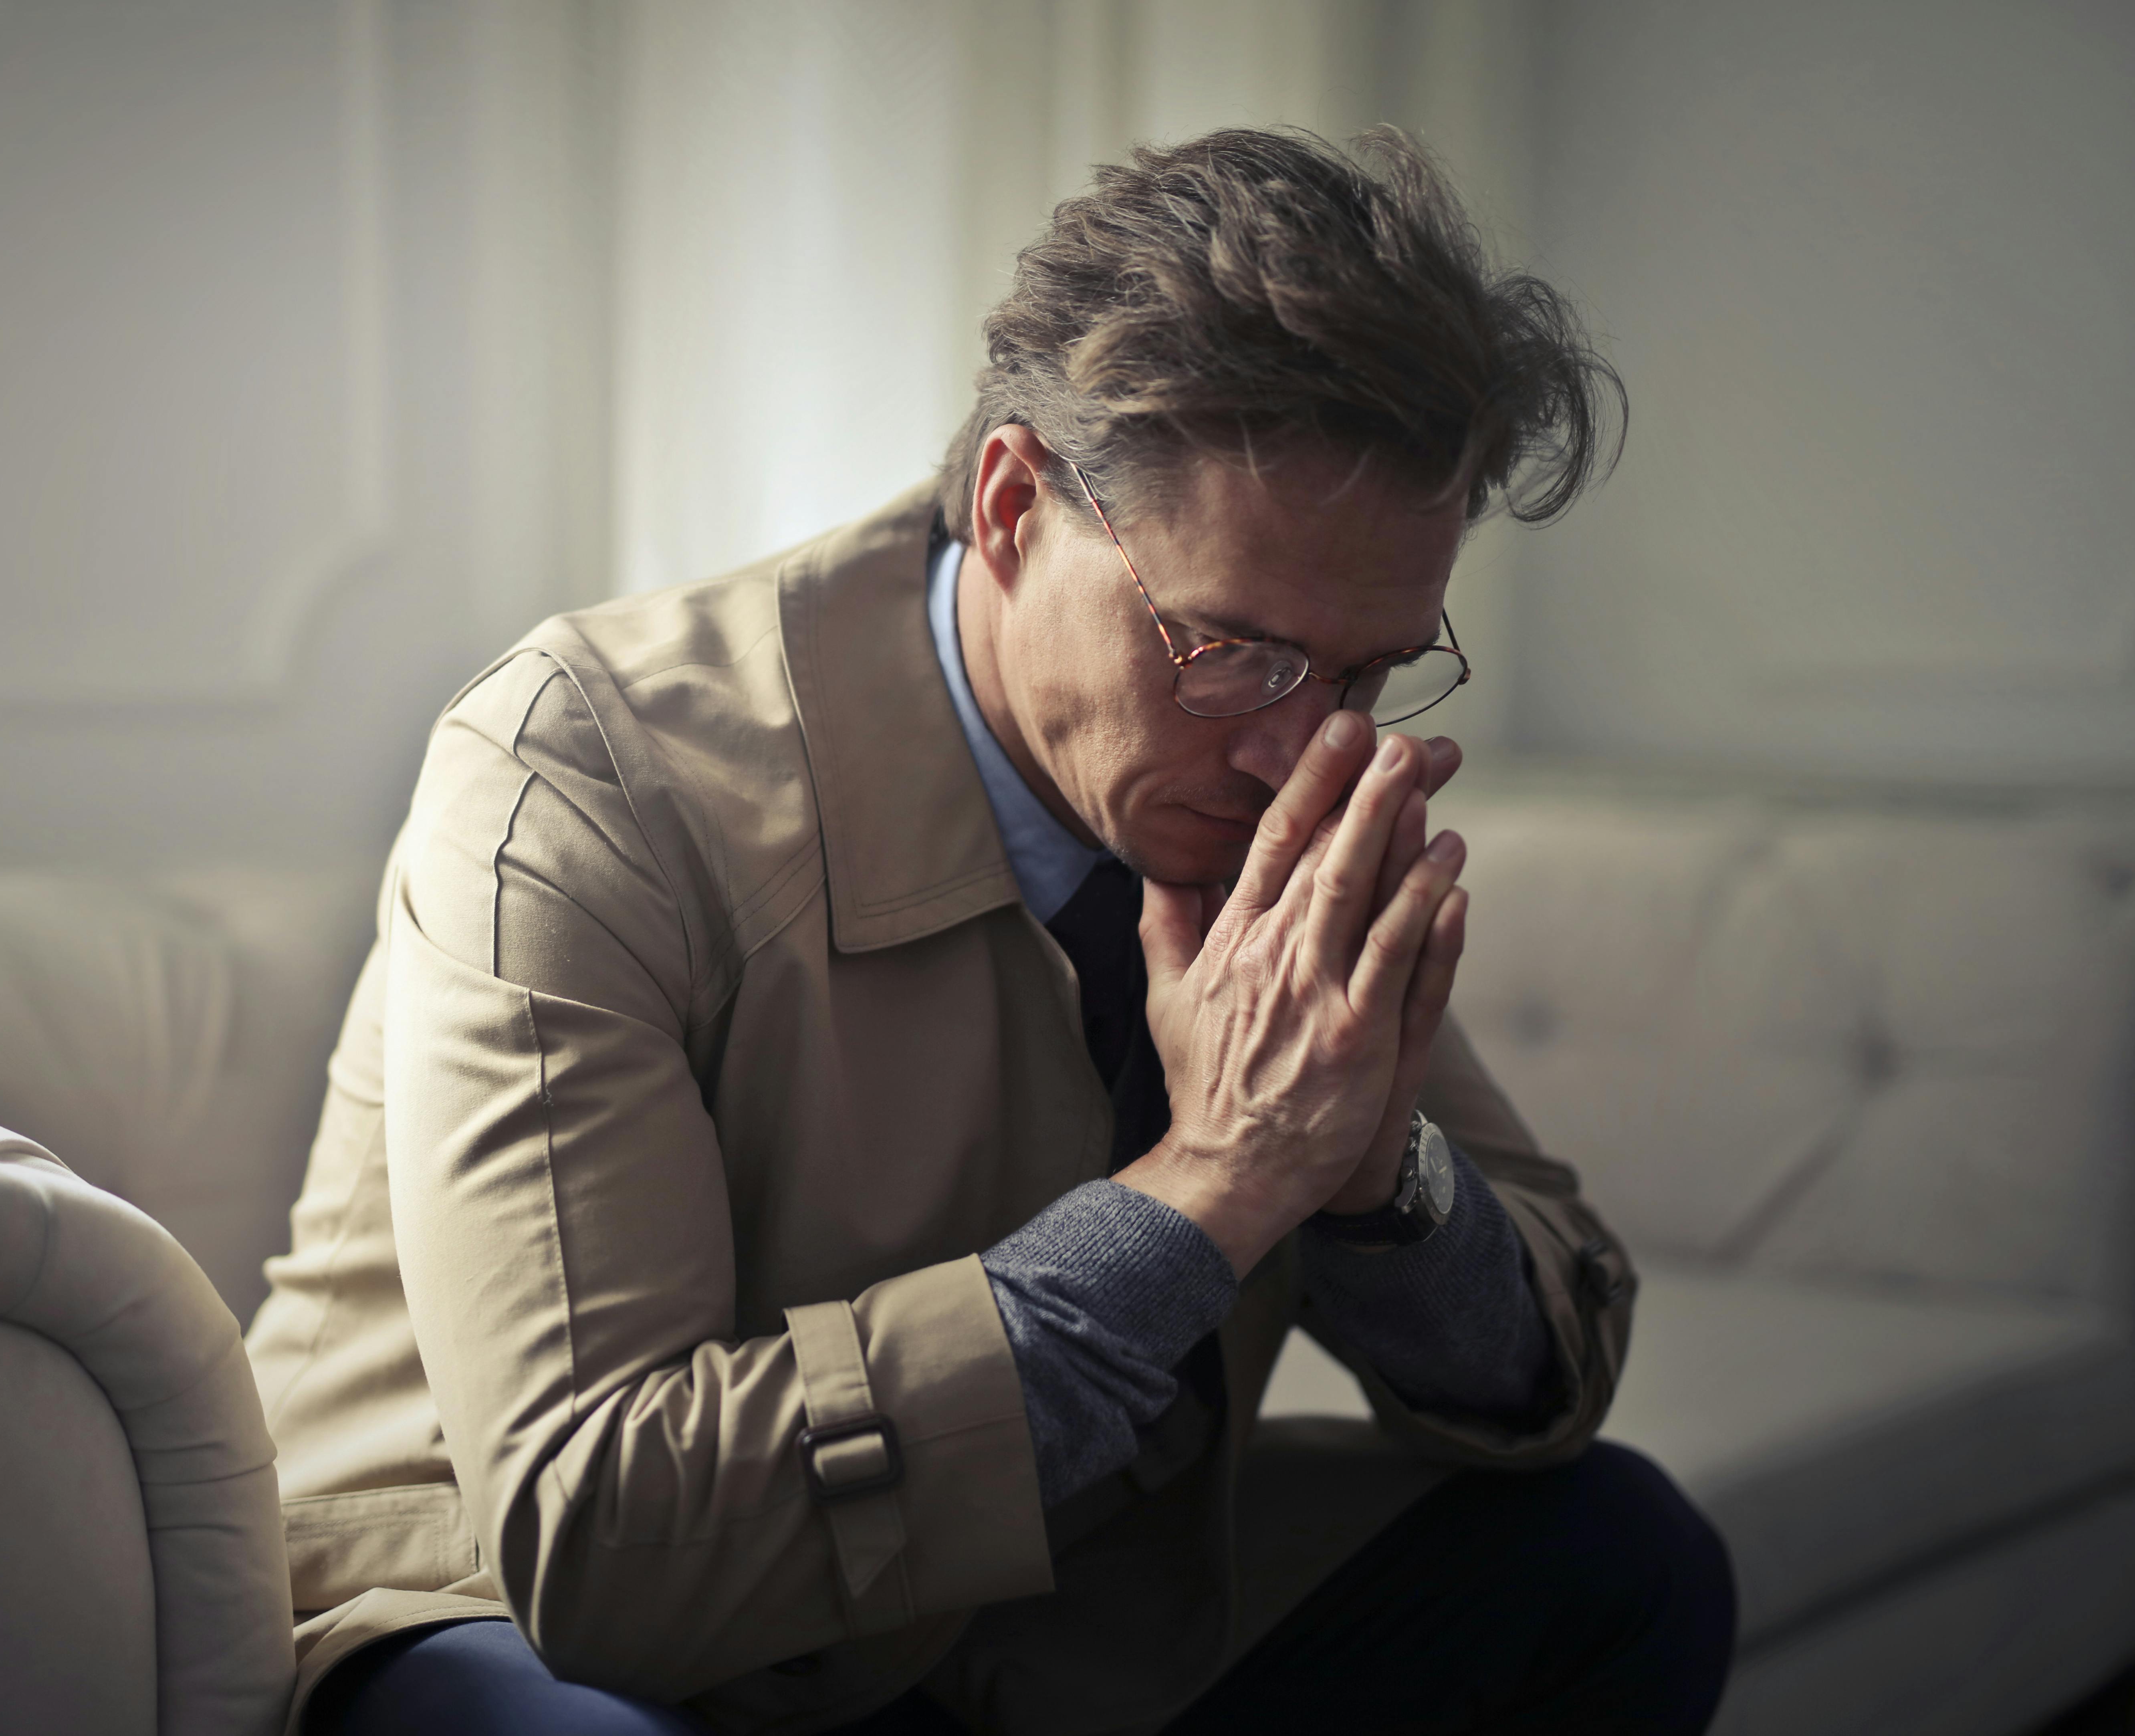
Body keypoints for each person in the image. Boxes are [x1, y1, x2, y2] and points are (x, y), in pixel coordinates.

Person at [247, 125, 1735, 1735]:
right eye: (1228, 649)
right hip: (517, 1626)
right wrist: (1215, 1188)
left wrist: (1372, 1171)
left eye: (1366, 671)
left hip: (1020, 1609)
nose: (1293, 743)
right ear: (1018, 505)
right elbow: (604, 1536)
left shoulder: (1257, 795)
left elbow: (1552, 1364)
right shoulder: (583, 767)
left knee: (1619, 1559)